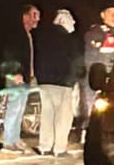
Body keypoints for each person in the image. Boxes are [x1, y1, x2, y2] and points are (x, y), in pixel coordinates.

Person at [35, 8, 83, 156]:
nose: (74, 22)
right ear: (63, 21)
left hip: (44, 82)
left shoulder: (43, 37)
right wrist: (76, 79)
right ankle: (59, 148)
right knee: (63, 117)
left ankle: (44, 146)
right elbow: (76, 61)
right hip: (63, 83)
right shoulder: (70, 40)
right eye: (71, 19)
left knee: (47, 115)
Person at [0, 4, 40, 152]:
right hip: (16, 77)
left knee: (20, 108)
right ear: (25, 16)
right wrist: (14, 72)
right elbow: (9, 54)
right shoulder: (16, 34)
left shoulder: (27, 34)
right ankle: (8, 141)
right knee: (14, 107)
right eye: (34, 15)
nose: (37, 19)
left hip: (24, 77)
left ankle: (15, 139)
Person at [80, 4, 114, 123]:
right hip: (97, 81)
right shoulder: (95, 33)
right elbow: (90, 63)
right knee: (94, 112)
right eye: (111, 13)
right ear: (102, 15)